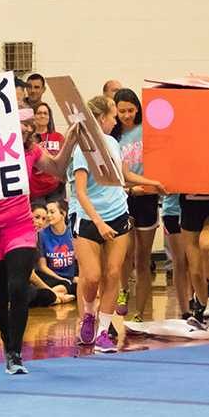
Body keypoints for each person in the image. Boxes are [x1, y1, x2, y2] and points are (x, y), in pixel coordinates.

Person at [0, 105, 77, 375]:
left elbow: (57, 167)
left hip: (18, 225)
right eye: (21, 123)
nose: (27, 127)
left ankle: (16, 353)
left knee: (18, 286)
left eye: (29, 124)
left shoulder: (32, 150)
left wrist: (72, 140)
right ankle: (10, 342)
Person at [71, 95, 165, 353]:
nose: (116, 121)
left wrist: (151, 182)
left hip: (118, 213)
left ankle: (103, 331)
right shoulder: (84, 150)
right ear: (102, 118)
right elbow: (81, 192)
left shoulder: (113, 143)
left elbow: (124, 175)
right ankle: (89, 312)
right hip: (90, 218)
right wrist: (99, 223)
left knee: (114, 273)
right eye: (113, 116)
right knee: (92, 276)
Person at [112, 88, 161, 321]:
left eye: (131, 110)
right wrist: (130, 189)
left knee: (143, 257)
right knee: (125, 253)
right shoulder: (113, 136)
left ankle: (140, 312)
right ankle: (123, 290)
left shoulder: (146, 132)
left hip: (148, 198)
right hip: (124, 197)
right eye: (122, 111)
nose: (127, 115)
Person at [37, 200, 77, 296]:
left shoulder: (73, 232)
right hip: (52, 277)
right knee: (62, 287)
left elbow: (80, 260)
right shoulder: (42, 234)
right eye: (47, 212)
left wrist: (73, 278)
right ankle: (56, 296)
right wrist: (61, 279)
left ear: (63, 213)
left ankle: (55, 296)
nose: (48, 215)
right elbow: (42, 266)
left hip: (71, 278)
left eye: (52, 212)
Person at [161, 194, 191, 320]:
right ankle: (185, 311)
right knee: (180, 262)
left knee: (194, 261)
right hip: (173, 211)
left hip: (194, 208)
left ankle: (197, 303)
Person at [30, 102, 65, 204]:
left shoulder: (58, 137)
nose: (42, 116)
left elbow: (64, 159)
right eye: (39, 113)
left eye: (46, 113)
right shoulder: (28, 139)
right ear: (34, 116)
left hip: (55, 188)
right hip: (35, 189)